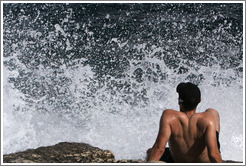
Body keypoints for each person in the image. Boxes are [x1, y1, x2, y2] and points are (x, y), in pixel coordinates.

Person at [147, 82, 222, 163]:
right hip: (203, 161)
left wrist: (151, 162)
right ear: (199, 101)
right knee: (212, 112)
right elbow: (213, 154)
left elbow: (159, 148)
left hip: (178, 159)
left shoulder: (169, 116)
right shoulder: (207, 118)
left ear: (179, 101)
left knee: (149, 151)